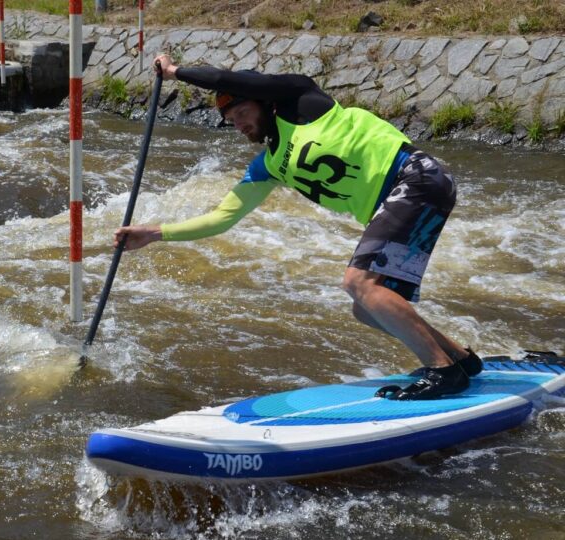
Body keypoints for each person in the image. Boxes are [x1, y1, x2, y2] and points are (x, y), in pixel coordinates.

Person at [114, 54, 482, 400]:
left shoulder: (301, 100)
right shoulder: (268, 164)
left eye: (242, 112)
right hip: (409, 196)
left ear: (264, 103)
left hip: (415, 177)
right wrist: (155, 233)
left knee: (358, 283)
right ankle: (459, 358)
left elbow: (227, 78)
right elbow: (222, 218)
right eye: (231, 121)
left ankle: (441, 371)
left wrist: (175, 72)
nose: (238, 124)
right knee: (366, 306)